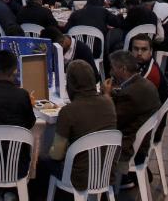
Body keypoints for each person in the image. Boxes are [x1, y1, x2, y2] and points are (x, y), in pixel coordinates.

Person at [40, 60, 115, 195]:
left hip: (79, 177)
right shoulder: (108, 103)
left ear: (70, 85)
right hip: (106, 172)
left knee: (43, 158)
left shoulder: (68, 112)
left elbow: (56, 155)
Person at [107, 50, 160, 184]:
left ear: (123, 69)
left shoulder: (130, 94)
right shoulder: (143, 84)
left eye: (113, 68)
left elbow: (111, 121)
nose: (110, 72)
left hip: (129, 146)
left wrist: (106, 97)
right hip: (140, 140)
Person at [129, 33, 168, 103]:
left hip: (150, 111)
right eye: (136, 49)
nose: (139, 53)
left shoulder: (150, 73)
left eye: (144, 49)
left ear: (151, 51)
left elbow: (132, 96)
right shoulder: (144, 63)